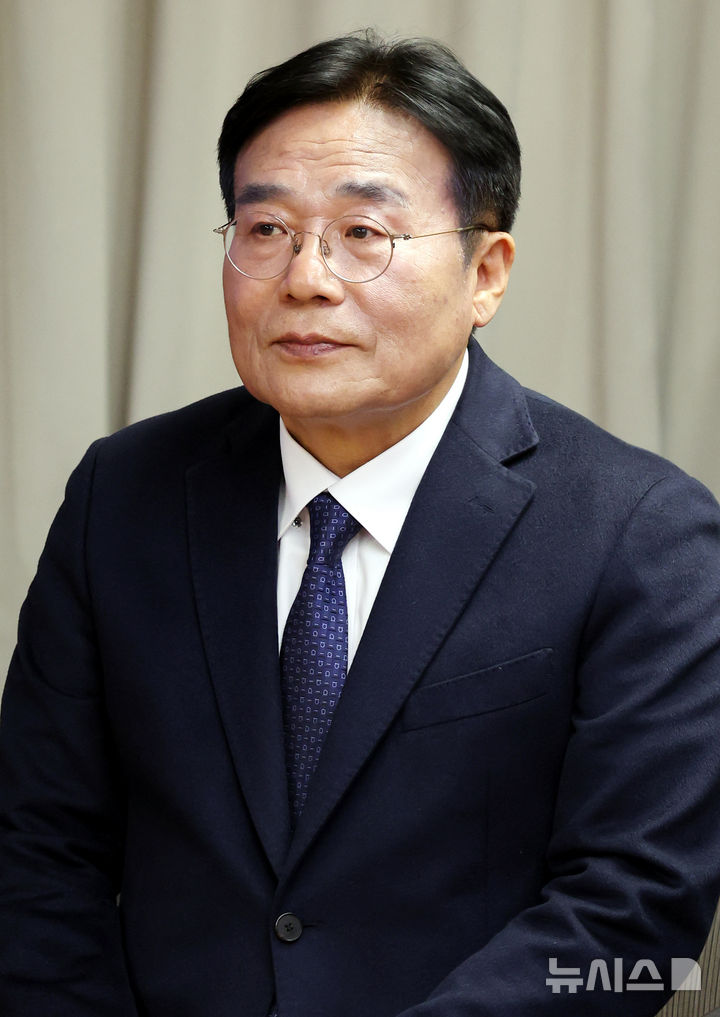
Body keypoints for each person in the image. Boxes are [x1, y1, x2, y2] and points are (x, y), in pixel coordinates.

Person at [1, 30, 719, 1017]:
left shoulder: (644, 536)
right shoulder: (123, 498)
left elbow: (635, 915)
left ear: (486, 272)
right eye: (265, 229)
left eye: (364, 233)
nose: (306, 276)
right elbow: (37, 852)